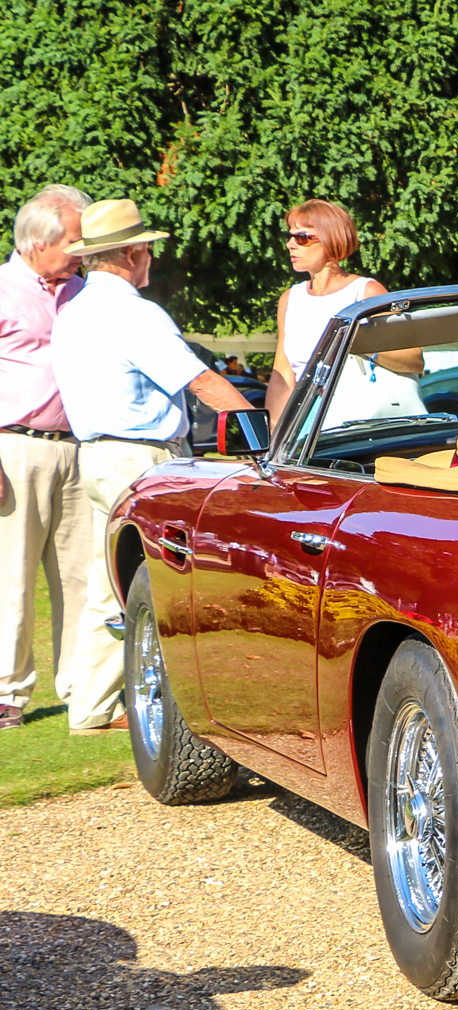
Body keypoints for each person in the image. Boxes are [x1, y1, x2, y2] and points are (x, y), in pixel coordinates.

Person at [51, 199, 252, 734]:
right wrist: (261, 430)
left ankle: (90, 707)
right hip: (141, 458)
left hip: (93, 455)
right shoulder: (134, 313)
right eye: (148, 250)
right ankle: (173, 703)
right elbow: (200, 381)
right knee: (163, 585)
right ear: (134, 252)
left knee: (104, 580)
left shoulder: (72, 312)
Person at [0, 184, 92, 731]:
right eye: (75, 242)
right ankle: (7, 693)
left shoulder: (84, 292)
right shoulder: (2, 288)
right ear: (39, 241)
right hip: (14, 448)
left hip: (80, 449)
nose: (82, 252)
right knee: (11, 577)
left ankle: (83, 690)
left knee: (80, 577)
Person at [264, 199, 423, 426]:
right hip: (307, 425)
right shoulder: (290, 299)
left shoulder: (365, 292)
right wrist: (274, 433)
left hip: (360, 420)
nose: (290, 244)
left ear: (330, 239)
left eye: (302, 238)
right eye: (289, 237)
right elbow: (283, 374)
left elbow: (413, 360)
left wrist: (358, 344)